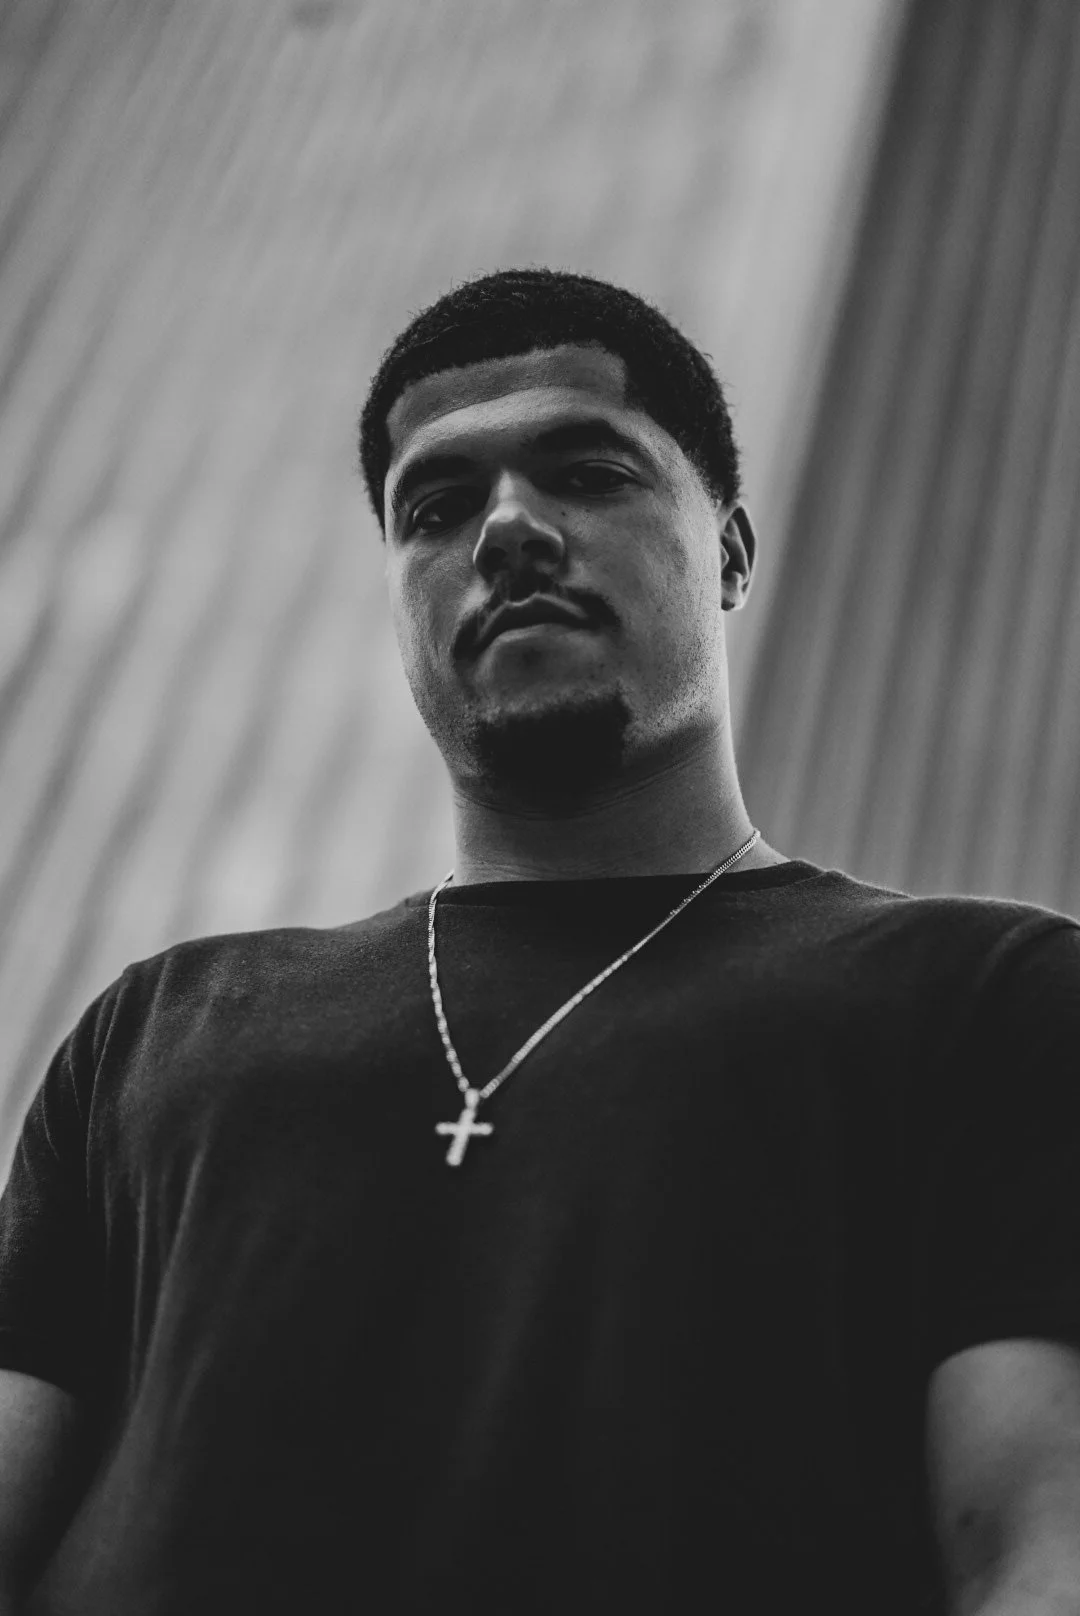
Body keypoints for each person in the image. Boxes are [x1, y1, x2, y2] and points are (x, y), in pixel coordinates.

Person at [0, 267, 1078, 1616]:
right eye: (436, 508)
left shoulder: (995, 1001)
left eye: (588, 472)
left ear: (731, 552)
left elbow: (1037, 1551)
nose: (509, 530)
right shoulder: (150, 1029)